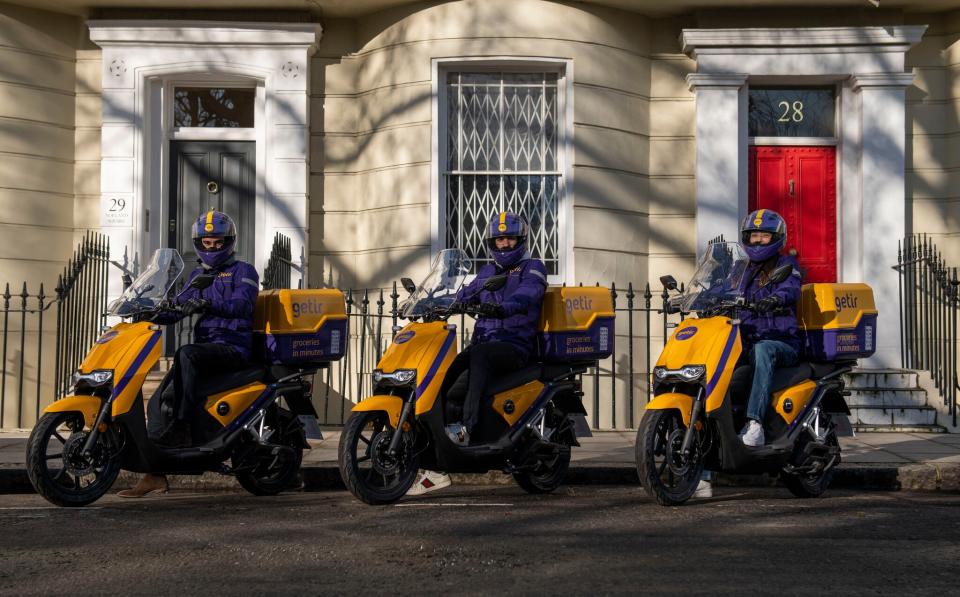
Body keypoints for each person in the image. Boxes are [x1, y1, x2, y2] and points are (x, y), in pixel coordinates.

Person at [118, 210, 260, 498]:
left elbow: (243, 306)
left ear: (228, 242)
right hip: (206, 350)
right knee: (158, 401)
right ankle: (154, 474)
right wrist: (149, 311)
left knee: (186, 354)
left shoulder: (243, 271)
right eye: (206, 242)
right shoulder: (196, 275)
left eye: (217, 242)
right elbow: (178, 307)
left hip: (234, 347)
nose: (212, 247)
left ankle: (182, 427)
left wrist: (206, 305)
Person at [407, 212, 548, 496]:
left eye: (509, 238)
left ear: (520, 240)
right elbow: (465, 294)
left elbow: (530, 294)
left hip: (515, 346)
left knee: (479, 355)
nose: (505, 244)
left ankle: (466, 429)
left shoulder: (532, 268)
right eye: (499, 238)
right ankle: (440, 447)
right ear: (492, 242)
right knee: (448, 371)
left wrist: (505, 307)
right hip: (485, 345)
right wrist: (433, 303)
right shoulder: (486, 273)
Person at [737, 209, 803, 447]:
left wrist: (775, 299)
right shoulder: (740, 268)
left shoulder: (786, 264)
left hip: (781, 341)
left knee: (762, 350)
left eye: (763, 235)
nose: (757, 240)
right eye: (753, 235)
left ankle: (755, 425)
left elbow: (791, 287)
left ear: (776, 238)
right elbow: (722, 288)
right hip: (746, 337)